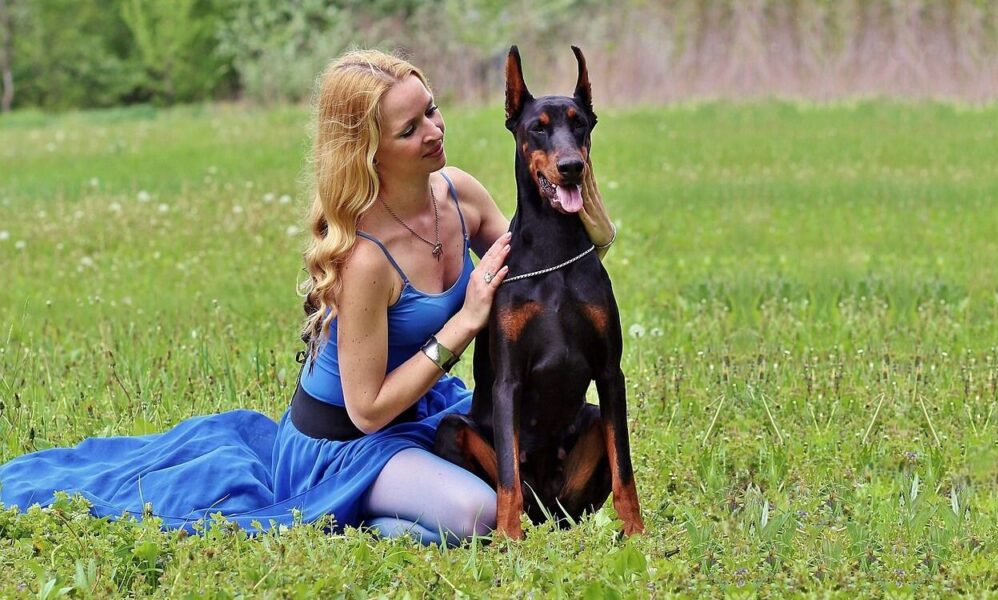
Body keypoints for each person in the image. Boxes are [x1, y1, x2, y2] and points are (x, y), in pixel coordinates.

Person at [0, 50, 616, 546]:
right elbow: (368, 410)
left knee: (525, 490)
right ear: (368, 152)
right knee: (479, 515)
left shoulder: (458, 193)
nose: (434, 132)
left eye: (431, 110)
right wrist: (463, 325)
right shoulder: (366, 260)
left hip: (425, 412)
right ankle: (352, 522)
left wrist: (595, 230)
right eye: (411, 128)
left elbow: (542, 273)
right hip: (343, 441)